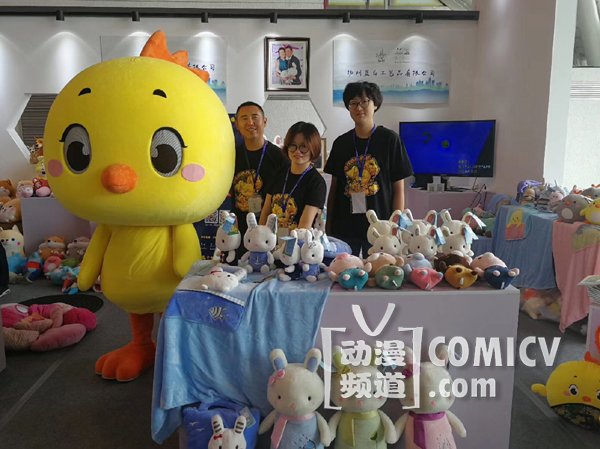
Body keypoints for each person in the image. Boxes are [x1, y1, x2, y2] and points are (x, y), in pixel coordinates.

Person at [324, 81, 413, 257]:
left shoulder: (390, 140)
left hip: (380, 227)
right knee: (345, 268)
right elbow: (334, 188)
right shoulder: (341, 143)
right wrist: (329, 225)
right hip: (345, 225)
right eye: (353, 103)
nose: (359, 108)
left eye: (364, 101)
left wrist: (395, 225)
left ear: (375, 104)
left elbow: (398, 189)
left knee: (379, 268)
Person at [232, 101, 289, 239]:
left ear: (264, 121)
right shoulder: (231, 156)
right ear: (237, 125)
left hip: (270, 232)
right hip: (239, 230)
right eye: (244, 118)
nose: (250, 122)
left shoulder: (279, 157)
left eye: (254, 117)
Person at [259, 121, 326, 234]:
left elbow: (304, 227)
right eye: (293, 145)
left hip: (299, 241)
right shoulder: (278, 173)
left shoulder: (316, 182)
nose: (297, 151)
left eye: (303, 147)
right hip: (270, 240)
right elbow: (265, 213)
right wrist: (260, 237)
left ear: (313, 148)